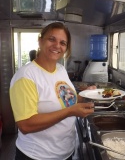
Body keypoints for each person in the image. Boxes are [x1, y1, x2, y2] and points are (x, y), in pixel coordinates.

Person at [9, 22, 96, 160]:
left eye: (63, 43)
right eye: (52, 39)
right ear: (40, 41)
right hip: (36, 156)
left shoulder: (60, 69)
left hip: (65, 152)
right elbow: (25, 124)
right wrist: (71, 111)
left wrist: (86, 95)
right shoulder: (26, 76)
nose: (57, 46)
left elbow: (67, 101)